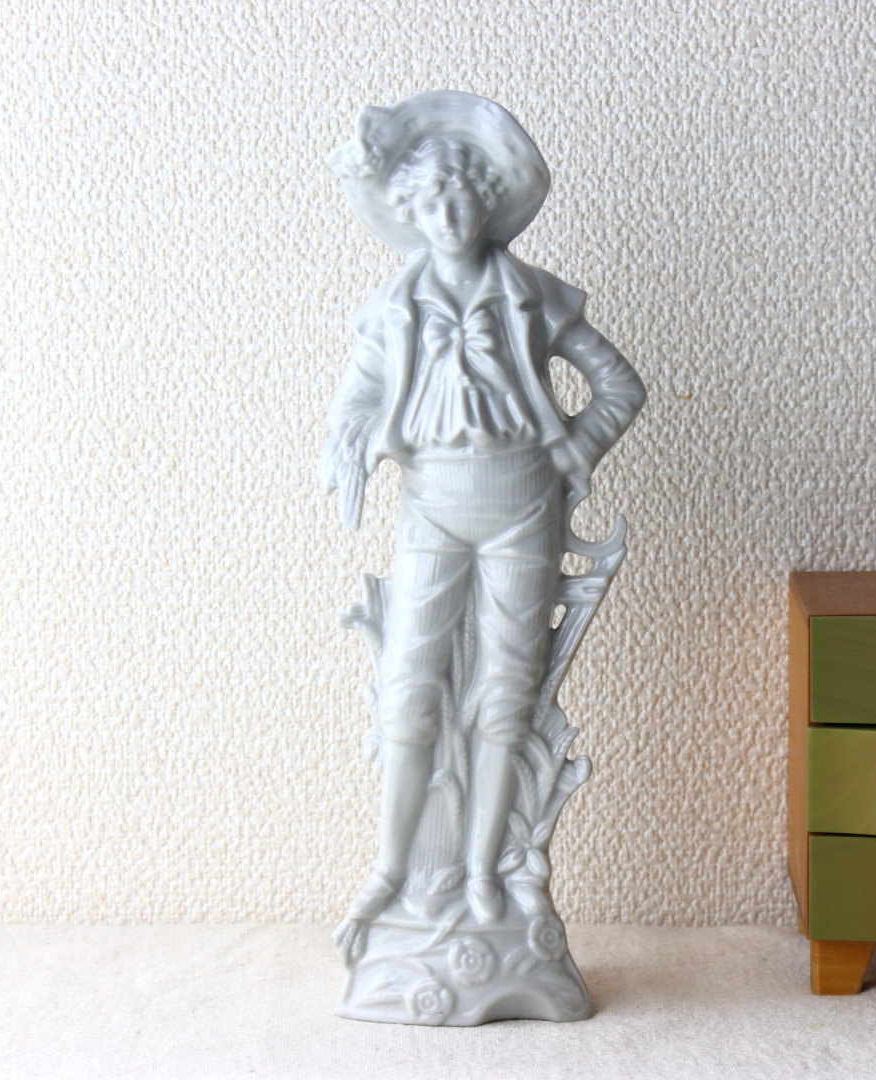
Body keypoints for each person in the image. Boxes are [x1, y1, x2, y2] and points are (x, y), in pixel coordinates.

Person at [322, 92, 645, 933]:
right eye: (431, 202)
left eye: (463, 196)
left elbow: (618, 385)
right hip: (431, 506)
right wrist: (356, 443)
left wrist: (573, 453)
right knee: (407, 688)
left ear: (488, 201)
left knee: (508, 696)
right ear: (408, 212)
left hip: (521, 506)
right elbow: (354, 402)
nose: (449, 215)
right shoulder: (393, 312)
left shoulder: (533, 296)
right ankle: (391, 870)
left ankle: (481, 873)